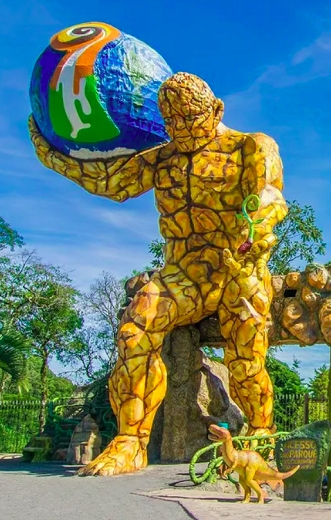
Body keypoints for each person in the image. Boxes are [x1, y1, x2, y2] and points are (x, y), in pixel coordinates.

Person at [28, 71, 288, 476]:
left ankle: (260, 437)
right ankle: (131, 441)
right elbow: (111, 182)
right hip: (184, 272)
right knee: (136, 328)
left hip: (239, 271)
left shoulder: (250, 145)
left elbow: (271, 196)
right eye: (173, 122)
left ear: (216, 109)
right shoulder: (162, 157)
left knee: (246, 362)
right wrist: (54, 153)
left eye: (191, 118)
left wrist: (254, 226)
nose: (182, 129)